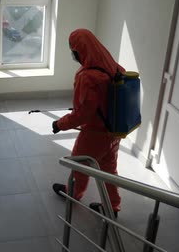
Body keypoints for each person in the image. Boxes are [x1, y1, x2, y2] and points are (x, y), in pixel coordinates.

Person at [52, 28, 125, 216]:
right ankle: (112, 206)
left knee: (79, 164)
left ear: (81, 50)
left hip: (94, 133)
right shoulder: (113, 67)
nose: (73, 55)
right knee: (109, 171)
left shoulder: (88, 77)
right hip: (114, 131)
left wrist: (59, 124)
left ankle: (73, 193)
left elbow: (82, 114)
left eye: (73, 51)